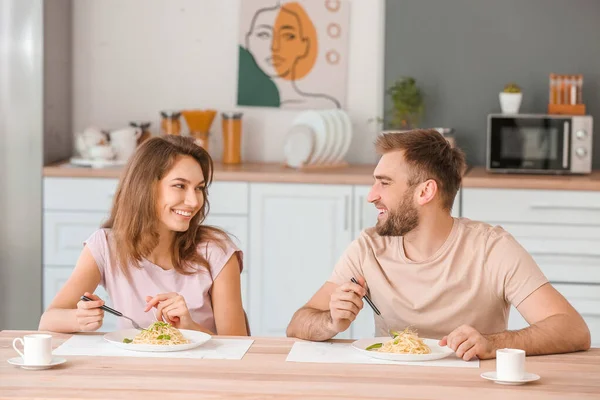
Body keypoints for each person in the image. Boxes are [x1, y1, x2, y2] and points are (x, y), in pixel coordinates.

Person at [286, 129, 591, 360]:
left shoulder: (492, 249)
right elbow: (298, 324)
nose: (371, 195)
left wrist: (493, 343)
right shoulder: (369, 248)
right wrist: (331, 321)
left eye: (385, 183)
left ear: (425, 192)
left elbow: (572, 329)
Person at [39, 136, 248, 336]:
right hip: (133, 370)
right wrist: (79, 319)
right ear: (145, 188)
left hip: (201, 370)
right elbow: (48, 321)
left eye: (199, 188)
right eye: (180, 186)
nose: (194, 201)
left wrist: (190, 328)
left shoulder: (216, 251)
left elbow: (239, 345)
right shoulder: (105, 246)